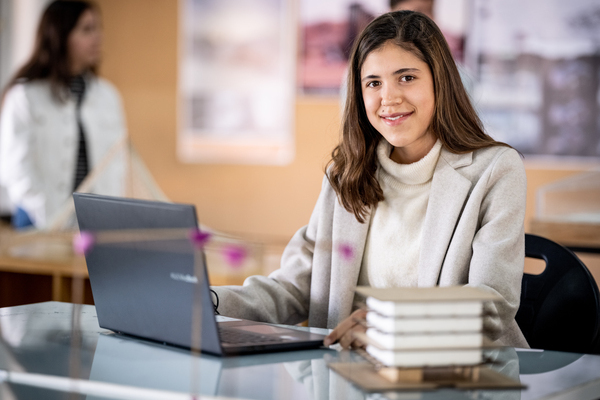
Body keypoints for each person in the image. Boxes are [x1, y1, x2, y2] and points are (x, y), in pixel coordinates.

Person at [212, 10, 528, 349]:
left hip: (458, 374)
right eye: (373, 83)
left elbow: (492, 303)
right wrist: (206, 300)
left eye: (407, 78)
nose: (388, 98)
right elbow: (294, 288)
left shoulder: (496, 169)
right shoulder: (346, 173)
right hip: (352, 376)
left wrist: (390, 326)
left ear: (440, 81)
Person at [0, 0, 125, 229]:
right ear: (59, 36)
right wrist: (49, 217)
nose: (98, 37)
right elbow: (15, 168)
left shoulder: (108, 96)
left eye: (98, 28)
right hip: (37, 223)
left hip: (95, 226)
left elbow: (116, 165)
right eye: (87, 29)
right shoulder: (25, 96)